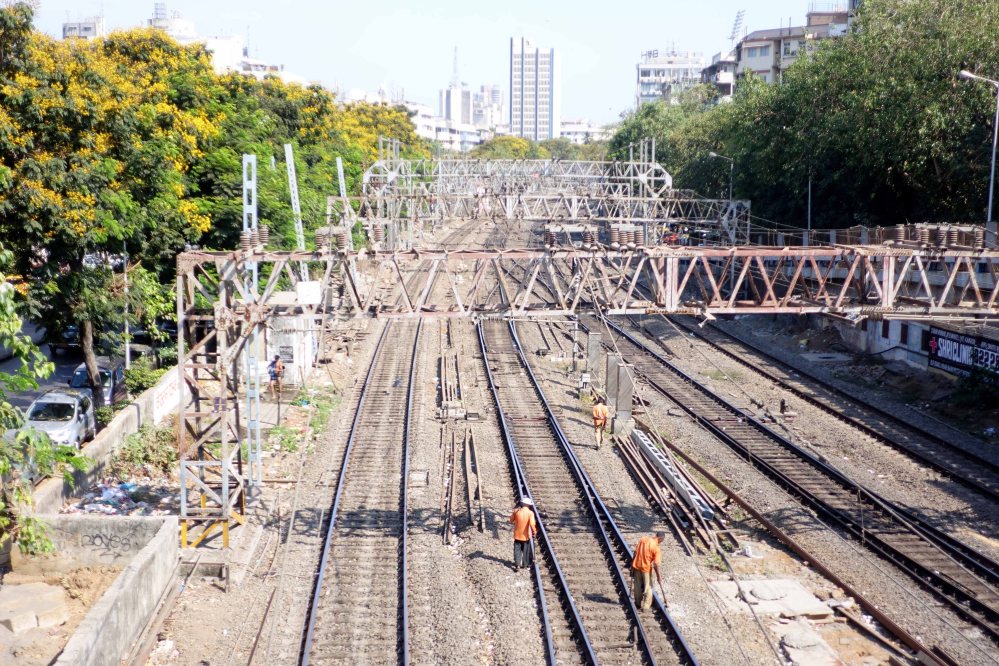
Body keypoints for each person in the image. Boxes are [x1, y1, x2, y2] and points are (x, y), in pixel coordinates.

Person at [631, 532, 666, 611]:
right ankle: (646, 606)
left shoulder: (643, 539)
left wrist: (632, 565)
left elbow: (635, 553)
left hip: (637, 566)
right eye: (662, 541)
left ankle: (637, 603)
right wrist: (658, 577)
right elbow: (656, 564)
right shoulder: (656, 548)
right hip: (646, 569)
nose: (661, 542)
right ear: (661, 538)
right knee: (648, 587)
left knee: (637, 586)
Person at [509, 497, 537, 571]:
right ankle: (526, 565)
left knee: (517, 550)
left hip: (517, 535)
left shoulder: (516, 511)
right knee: (526, 550)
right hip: (526, 536)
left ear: (522, 503)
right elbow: (532, 524)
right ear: (528, 505)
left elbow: (511, 520)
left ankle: (517, 564)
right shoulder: (530, 513)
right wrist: (534, 532)